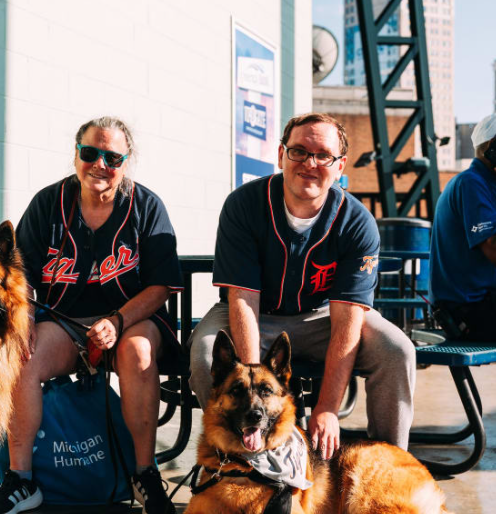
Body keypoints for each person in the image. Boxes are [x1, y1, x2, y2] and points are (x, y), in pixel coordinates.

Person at [0, 116, 182, 514]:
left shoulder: (145, 206)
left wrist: (119, 321)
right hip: (65, 321)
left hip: (130, 320)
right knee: (22, 356)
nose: (100, 164)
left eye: (112, 156)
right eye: (90, 153)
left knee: (138, 352)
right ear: (76, 154)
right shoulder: (47, 204)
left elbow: (160, 287)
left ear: (126, 161)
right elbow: (21, 277)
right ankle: (22, 479)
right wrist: (25, 324)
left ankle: (145, 472)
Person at [188, 112, 416, 460]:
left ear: (339, 166)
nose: (309, 163)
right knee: (205, 354)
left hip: (321, 316)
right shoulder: (245, 204)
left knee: (396, 350)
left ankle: (391, 463)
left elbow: (348, 317)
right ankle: (239, 460)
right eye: (298, 151)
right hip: (253, 314)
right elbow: (243, 300)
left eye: (322, 154)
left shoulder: (356, 221)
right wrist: (258, 401)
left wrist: (327, 408)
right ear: (281, 154)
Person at [430, 113, 496, 341]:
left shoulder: (486, 185)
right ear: (491, 146)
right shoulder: (471, 183)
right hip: (468, 308)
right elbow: (492, 247)